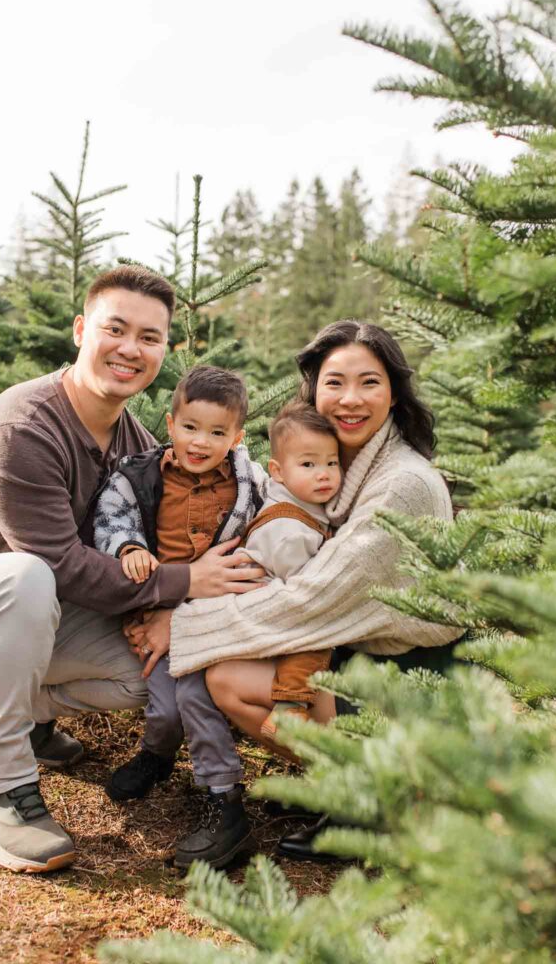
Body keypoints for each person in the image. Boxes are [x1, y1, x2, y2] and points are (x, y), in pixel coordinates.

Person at [0, 265, 263, 874]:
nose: (130, 348)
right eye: (116, 328)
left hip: (31, 615)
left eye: (150, 337)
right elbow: (60, 566)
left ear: (163, 350)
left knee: (152, 672)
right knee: (24, 576)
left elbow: (138, 542)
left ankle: (24, 716)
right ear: (81, 329)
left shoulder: (133, 439)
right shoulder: (24, 427)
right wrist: (188, 581)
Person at [125, 320, 460, 859]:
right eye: (335, 383)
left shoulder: (403, 483)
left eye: (369, 382)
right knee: (234, 674)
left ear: (394, 392)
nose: (350, 399)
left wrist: (181, 622)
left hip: (416, 686)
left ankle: (384, 799)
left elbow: (313, 599)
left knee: (229, 678)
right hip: (363, 662)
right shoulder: (328, 471)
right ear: (314, 389)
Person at [93, 364, 266, 869]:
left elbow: (270, 531)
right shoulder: (139, 475)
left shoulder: (248, 484)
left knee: (196, 696)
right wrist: (127, 547)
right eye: (190, 427)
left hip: (215, 614)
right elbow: (111, 515)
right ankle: (158, 754)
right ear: (170, 425)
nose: (200, 441)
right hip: (163, 603)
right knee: (164, 705)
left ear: (237, 437)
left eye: (217, 433)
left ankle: (223, 794)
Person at [239, 400, 341, 739]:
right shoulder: (288, 528)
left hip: (272, 606)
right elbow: (304, 597)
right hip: (267, 614)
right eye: (308, 464)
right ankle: (289, 706)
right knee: (315, 633)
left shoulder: (306, 503)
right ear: (278, 471)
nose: (323, 473)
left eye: (331, 462)